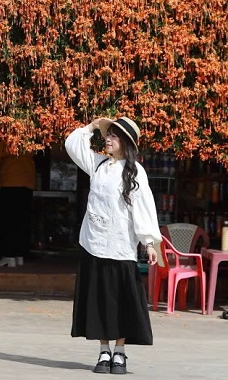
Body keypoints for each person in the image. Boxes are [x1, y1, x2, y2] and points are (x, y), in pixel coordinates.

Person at [65, 117, 161, 375]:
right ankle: (103, 350)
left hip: (121, 247)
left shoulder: (135, 171)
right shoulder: (97, 165)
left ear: (126, 143)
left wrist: (149, 242)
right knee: (99, 300)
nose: (108, 139)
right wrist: (91, 127)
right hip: (94, 244)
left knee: (121, 300)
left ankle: (119, 352)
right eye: (108, 135)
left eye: (114, 136)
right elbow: (72, 145)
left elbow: (143, 208)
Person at [0, 140, 36, 266]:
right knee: (21, 220)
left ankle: (8, 255)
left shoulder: (2, 135)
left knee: (6, 221)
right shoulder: (29, 134)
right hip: (27, 180)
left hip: (9, 180)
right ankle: (19, 254)